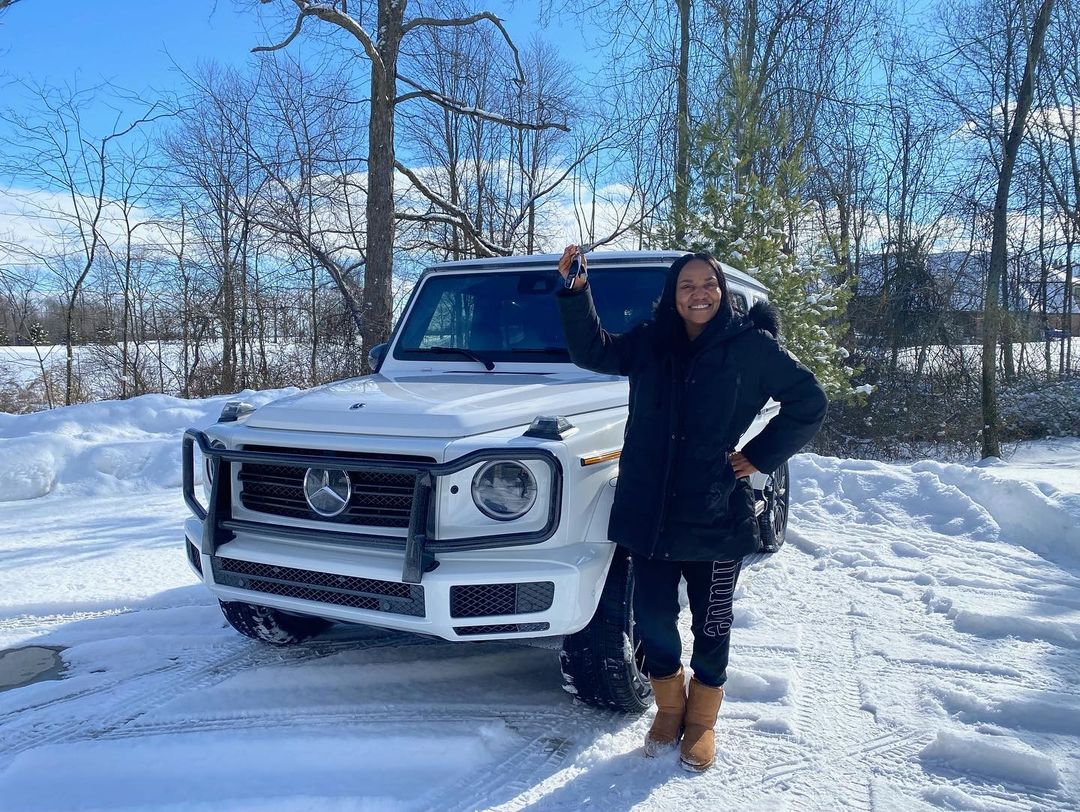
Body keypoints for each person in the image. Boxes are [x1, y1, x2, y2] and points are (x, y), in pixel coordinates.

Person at [555, 246, 828, 772]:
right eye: (686, 285)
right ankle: (669, 708)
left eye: (707, 284)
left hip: (714, 507)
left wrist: (757, 456)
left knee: (712, 620)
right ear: (673, 295)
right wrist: (576, 293)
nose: (698, 293)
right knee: (653, 616)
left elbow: (809, 401)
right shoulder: (651, 342)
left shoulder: (750, 347)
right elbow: (594, 350)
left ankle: (702, 721)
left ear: (721, 291)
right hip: (650, 506)